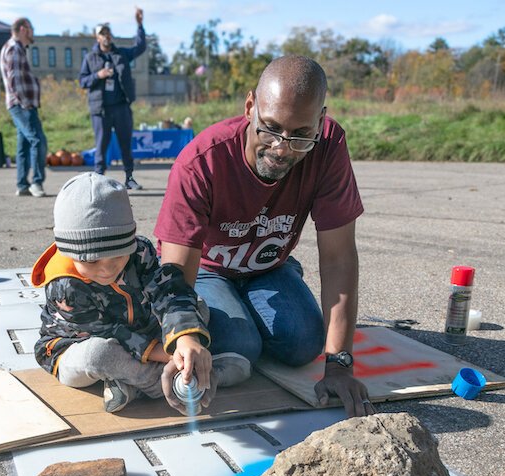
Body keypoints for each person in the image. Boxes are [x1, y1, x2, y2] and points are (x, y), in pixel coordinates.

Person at [154, 55, 373, 418]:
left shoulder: (329, 146)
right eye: (269, 128)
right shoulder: (201, 162)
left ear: (320, 120)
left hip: (267, 266)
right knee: (242, 346)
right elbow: (175, 270)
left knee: (306, 343)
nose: (282, 148)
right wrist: (184, 336)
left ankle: (251, 302)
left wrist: (340, 366)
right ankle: (237, 313)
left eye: (301, 134)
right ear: (250, 106)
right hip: (208, 268)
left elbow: (339, 257)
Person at [31, 173, 247, 414]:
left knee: (196, 306)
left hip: (140, 329)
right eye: (91, 261)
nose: (106, 268)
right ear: (69, 252)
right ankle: (184, 381)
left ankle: (131, 387)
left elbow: (169, 290)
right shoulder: (65, 286)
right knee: (100, 354)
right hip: (76, 347)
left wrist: (184, 339)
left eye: (118, 255)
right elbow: (114, 333)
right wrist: (170, 355)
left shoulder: (139, 252)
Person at [79, 7, 146, 191]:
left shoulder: (121, 54)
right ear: (97, 38)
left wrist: (140, 25)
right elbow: (82, 81)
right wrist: (98, 75)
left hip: (121, 107)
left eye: (108, 32)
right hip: (100, 110)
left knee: (126, 144)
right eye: (103, 33)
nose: (107, 35)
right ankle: (98, 182)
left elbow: (140, 47)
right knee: (101, 146)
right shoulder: (90, 58)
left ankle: (129, 178)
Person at [0, 17, 48, 197]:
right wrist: (25, 103)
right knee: (37, 140)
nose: (33, 32)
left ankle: (22, 184)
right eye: (31, 28)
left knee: (24, 145)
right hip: (22, 105)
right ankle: (36, 182)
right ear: (23, 29)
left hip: (20, 104)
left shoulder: (15, 48)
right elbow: (15, 80)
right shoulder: (14, 48)